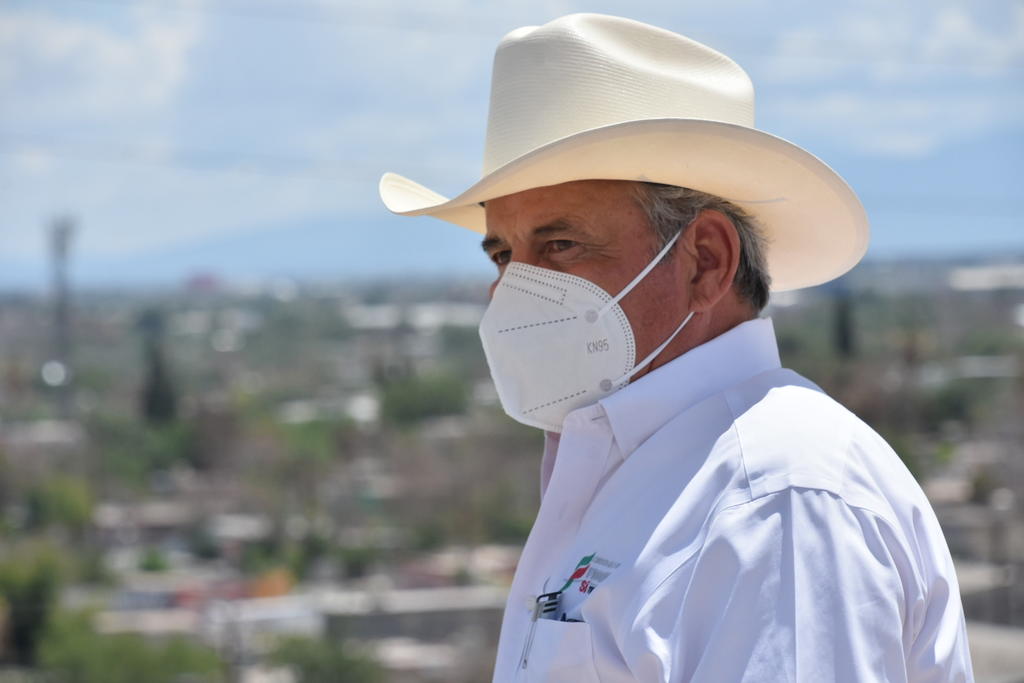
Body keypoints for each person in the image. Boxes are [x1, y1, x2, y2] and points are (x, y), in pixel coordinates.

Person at [380, 13, 974, 683]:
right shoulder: (660, 472)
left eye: (560, 246)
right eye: (501, 254)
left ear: (706, 261)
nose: (515, 291)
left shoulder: (773, 501)